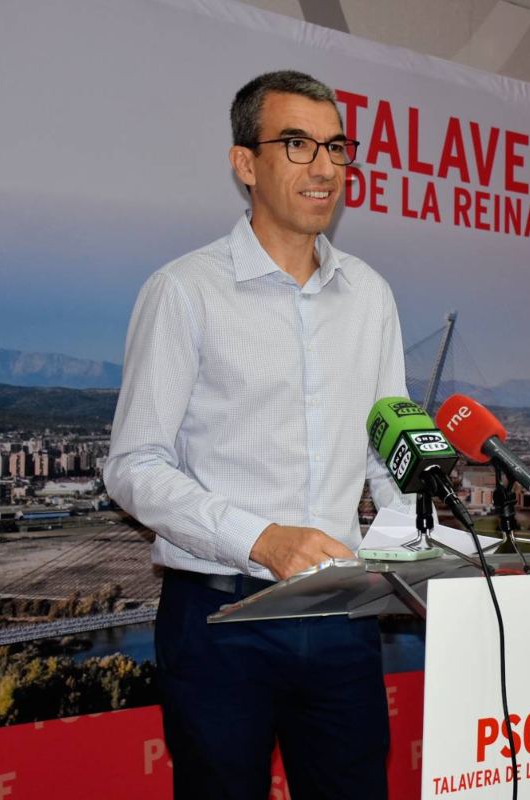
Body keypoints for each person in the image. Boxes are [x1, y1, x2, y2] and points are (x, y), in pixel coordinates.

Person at [105, 70, 411, 800]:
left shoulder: (370, 294)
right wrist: (260, 538)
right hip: (219, 621)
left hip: (341, 616)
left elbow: (388, 446)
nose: (326, 167)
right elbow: (133, 464)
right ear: (246, 164)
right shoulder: (185, 291)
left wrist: (407, 541)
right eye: (298, 144)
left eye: (337, 147)